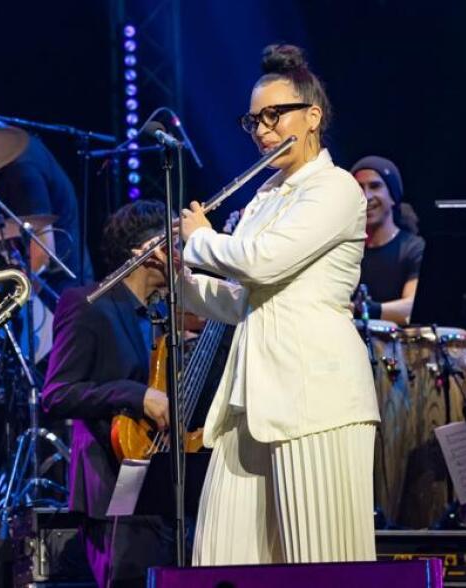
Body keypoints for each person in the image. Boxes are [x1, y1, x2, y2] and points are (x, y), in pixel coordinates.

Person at [179, 44, 379, 564]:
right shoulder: (266, 196)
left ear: (312, 117)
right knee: (220, 562)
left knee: (321, 564)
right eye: (254, 120)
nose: (263, 130)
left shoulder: (335, 189)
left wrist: (199, 238)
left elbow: (261, 262)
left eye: (275, 115)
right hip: (251, 398)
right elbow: (242, 302)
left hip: (316, 399)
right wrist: (177, 277)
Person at [41, 200, 174, 587]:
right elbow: (57, 393)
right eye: (172, 245)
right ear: (145, 253)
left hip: (155, 472)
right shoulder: (87, 304)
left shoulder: (159, 311)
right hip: (112, 479)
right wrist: (135, 394)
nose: (181, 255)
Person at [0, 102, 94, 302]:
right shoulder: (9, 158)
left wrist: (10, 304)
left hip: (59, 296)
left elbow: (42, 251)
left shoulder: (22, 168)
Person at [350, 156, 425, 325]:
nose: (366, 196)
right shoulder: (345, 250)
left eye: (375, 186)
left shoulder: (413, 248)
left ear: (393, 196)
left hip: (397, 347)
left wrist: (369, 310)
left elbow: (411, 307)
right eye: (359, 188)